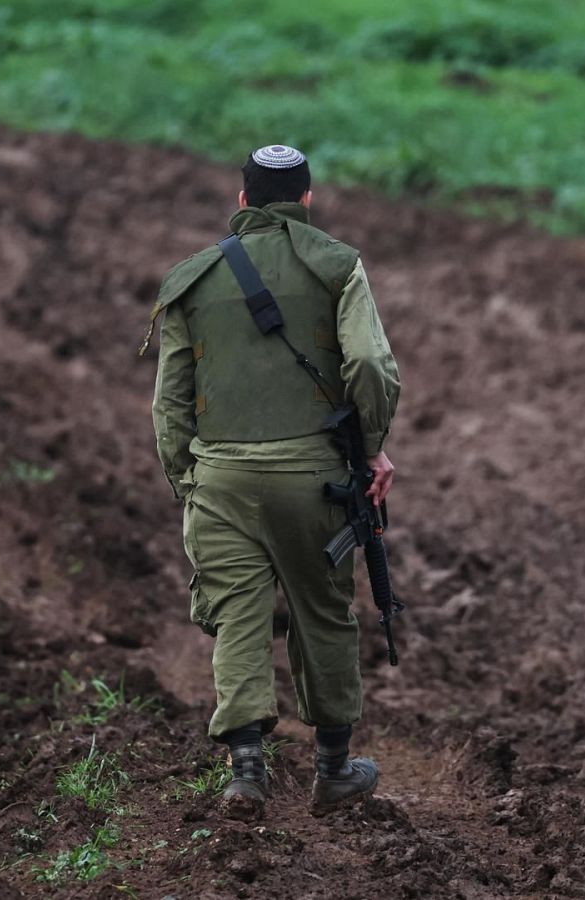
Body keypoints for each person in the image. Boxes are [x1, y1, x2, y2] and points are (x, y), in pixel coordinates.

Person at [146, 144, 401, 818]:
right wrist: (371, 448)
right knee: (323, 613)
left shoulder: (190, 280)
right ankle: (335, 770)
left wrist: (190, 484)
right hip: (314, 478)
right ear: (307, 199)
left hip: (222, 479)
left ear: (243, 203)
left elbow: (170, 404)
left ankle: (247, 774)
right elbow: (371, 366)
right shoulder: (338, 264)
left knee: (237, 617)